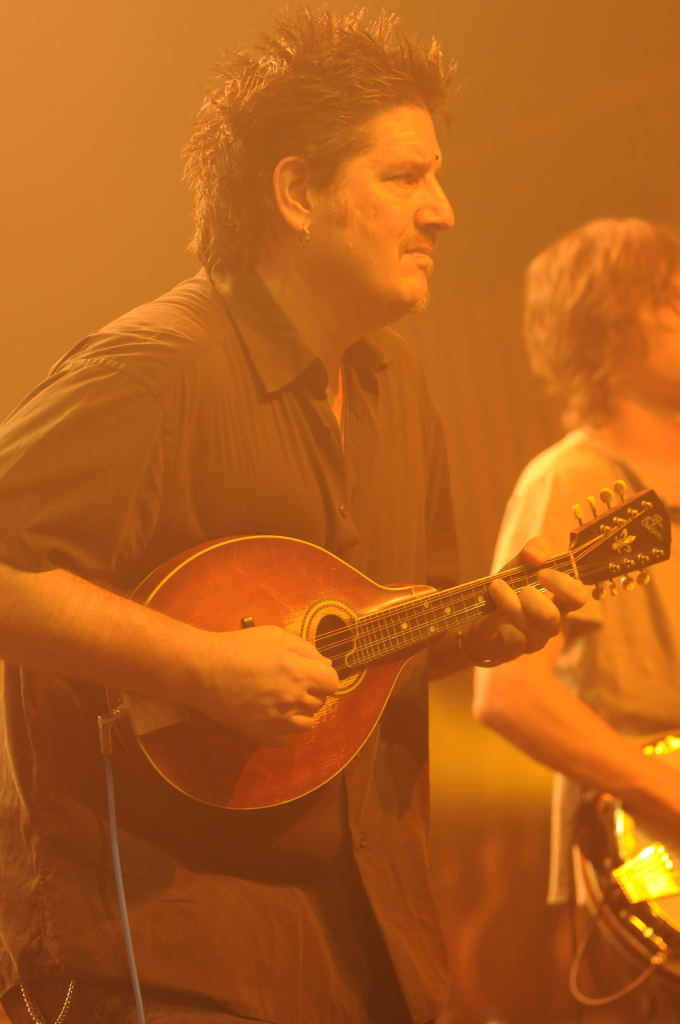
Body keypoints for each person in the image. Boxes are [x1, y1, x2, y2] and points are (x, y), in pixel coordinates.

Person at [0, 10, 584, 1024]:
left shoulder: (399, 387)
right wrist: (200, 668)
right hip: (172, 950)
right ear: (296, 193)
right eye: (403, 177)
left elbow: (379, 636)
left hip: (370, 948)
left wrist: (477, 629)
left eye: (437, 177)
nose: (443, 211)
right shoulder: (156, 368)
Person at [473, 217, 680, 1022]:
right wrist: (660, 788)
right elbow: (509, 694)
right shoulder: (569, 479)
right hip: (646, 866)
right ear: (602, 332)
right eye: (665, 299)